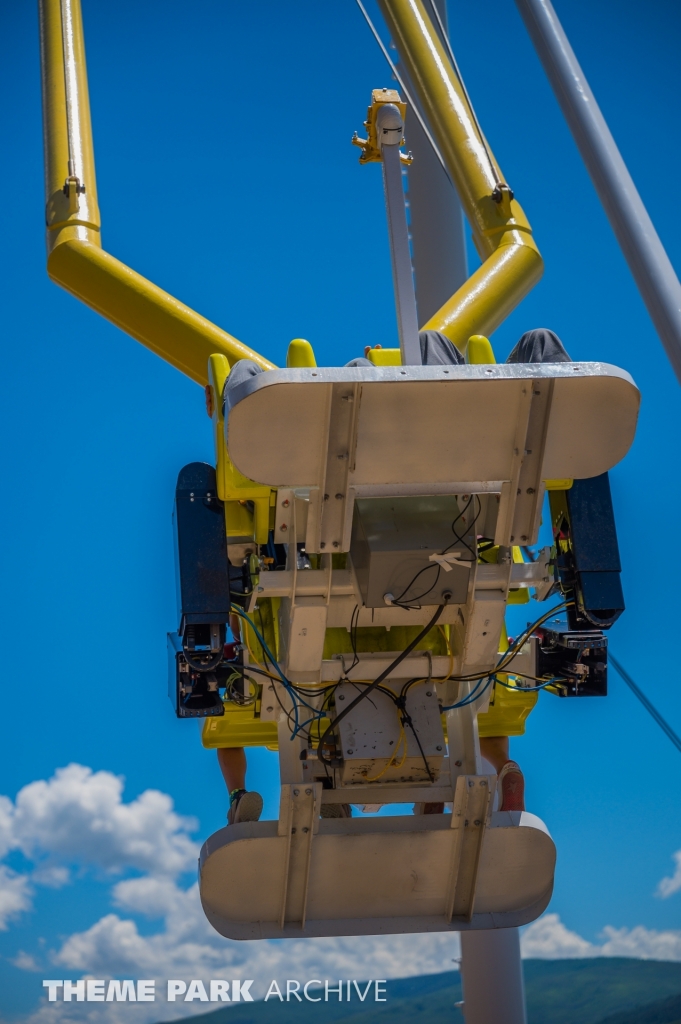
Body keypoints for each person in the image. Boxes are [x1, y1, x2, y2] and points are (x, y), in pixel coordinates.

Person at [220, 328, 572, 822]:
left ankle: (242, 795)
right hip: (453, 496)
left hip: (398, 506)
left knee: (258, 379)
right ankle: (503, 768)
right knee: (436, 343)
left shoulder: (317, 497)